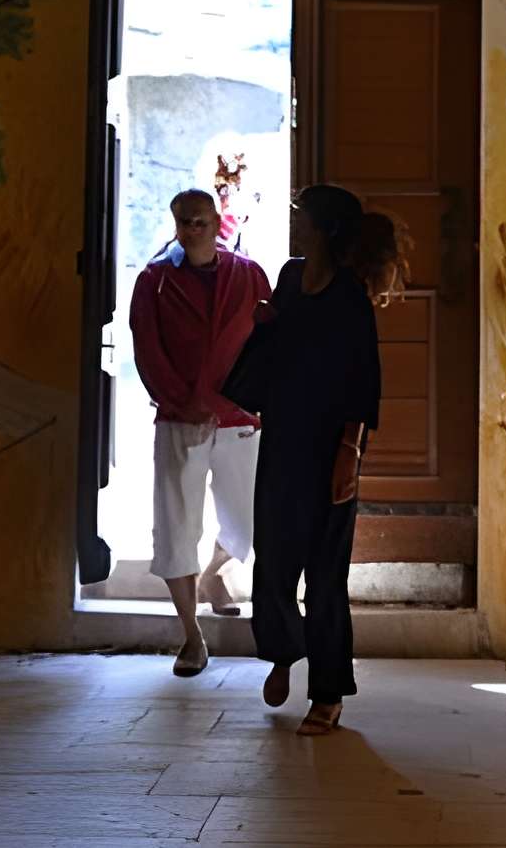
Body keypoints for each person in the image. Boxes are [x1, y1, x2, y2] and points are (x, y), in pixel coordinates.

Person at [229, 183, 396, 737]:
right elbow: (278, 350)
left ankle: (327, 693)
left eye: (302, 218)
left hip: (331, 447)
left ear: (324, 228)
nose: (294, 225)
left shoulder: (350, 297)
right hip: (283, 439)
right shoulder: (289, 278)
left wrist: (348, 456)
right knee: (273, 562)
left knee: (325, 577)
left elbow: (363, 382)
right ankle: (285, 649)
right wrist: (265, 325)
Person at [128, 189, 269, 676]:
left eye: (201, 222)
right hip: (179, 419)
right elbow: (147, 346)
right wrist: (179, 401)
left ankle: (213, 577)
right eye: (184, 222)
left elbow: (268, 340)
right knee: (175, 524)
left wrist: (259, 401)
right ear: (175, 223)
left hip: (238, 419)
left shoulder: (247, 274)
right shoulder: (155, 281)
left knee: (249, 519)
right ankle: (191, 635)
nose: (192, 230)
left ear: (216, 222)